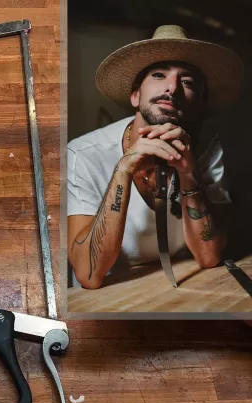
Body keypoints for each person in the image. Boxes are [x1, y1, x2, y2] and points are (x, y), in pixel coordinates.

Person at [68, 25, 244, 289]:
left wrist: (188, 173)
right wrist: (123, 170)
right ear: (136, 95)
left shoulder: (206, 149)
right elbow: (89, 275)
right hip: (112, 292)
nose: (171, 88)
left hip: (180, 283)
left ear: (198, 105)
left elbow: (209, 257)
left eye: (187, 82)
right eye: (159, 75)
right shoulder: (84, 154)